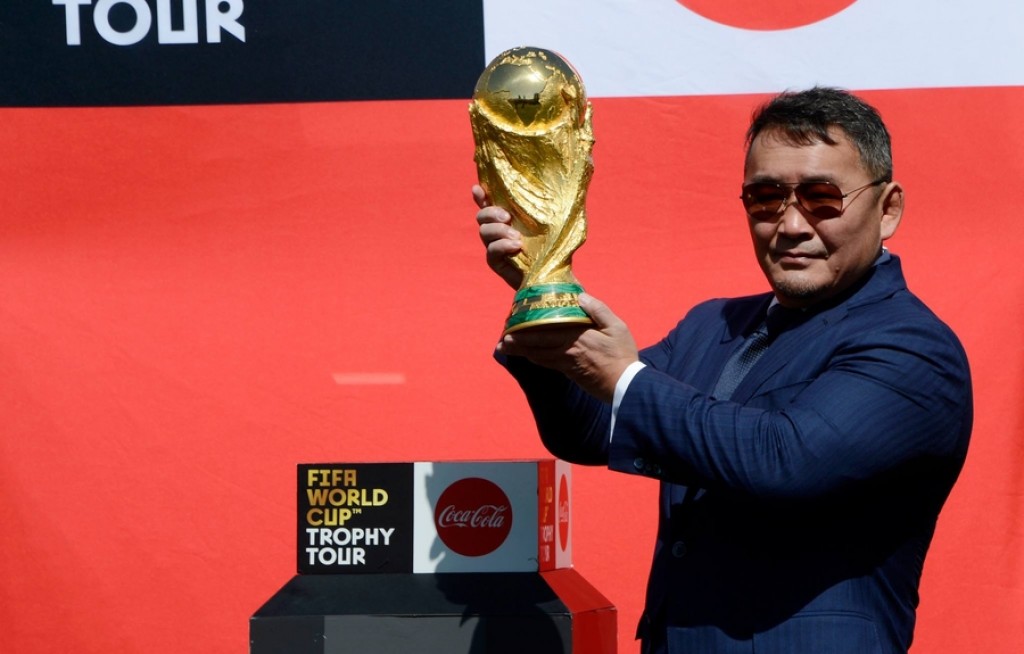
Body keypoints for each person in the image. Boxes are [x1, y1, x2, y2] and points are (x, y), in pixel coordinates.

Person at [473, 87, 972, 653]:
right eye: (766, 198)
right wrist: (543, 291)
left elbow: (784, 460)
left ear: (887, 209)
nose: (791, 224)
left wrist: (622, 375)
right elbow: (592, 430)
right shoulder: (713, 325)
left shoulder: (912, 347)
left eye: (821, 197)